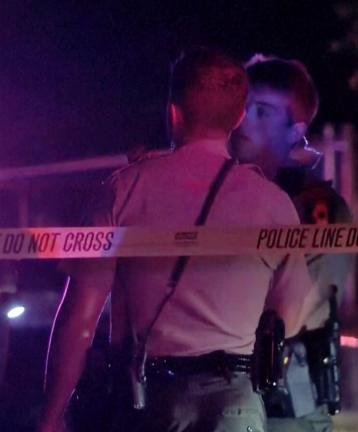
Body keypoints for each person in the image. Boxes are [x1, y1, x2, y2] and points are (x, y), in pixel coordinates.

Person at [38, 47, 316, 432]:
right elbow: (291, 310)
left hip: (150, 400)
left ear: (172, 111)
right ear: (237, 118)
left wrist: (51, 417)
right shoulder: (273, 204)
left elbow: (78, 320)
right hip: (236, 405)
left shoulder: (124, 190)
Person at [231, 56, 353, 432]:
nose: (244, 121)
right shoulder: (224, 196)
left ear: (294, 128)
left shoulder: (316, 207)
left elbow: (293, 312)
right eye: (241, 108)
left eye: (262, 111)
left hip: (289, 405)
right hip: (229, 401)